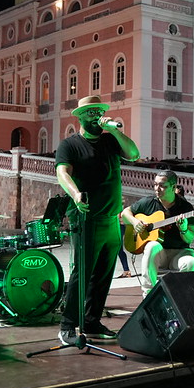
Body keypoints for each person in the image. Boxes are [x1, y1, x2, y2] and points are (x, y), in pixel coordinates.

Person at [55, 95, 139, 344]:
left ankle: (91, 322)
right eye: (90, 113)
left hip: (111, 218)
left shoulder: (110, 140)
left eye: (98, 112)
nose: (95, 116)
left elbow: (134, 154)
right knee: (82, 273)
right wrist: (75, 194)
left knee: (103, 274)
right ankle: (67, 326)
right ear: (80, 117)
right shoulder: (70, 144)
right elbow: (62, 172)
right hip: (87, 218)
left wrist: (115, 131)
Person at [121, 170, 194, 297]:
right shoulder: (148, 202)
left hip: (179, 253)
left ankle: (180, 298)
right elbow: (125, 212)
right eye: (155, 184)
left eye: (162, 186)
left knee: (192, 262)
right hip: (159, 254)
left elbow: (189, 239)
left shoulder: (185, 207)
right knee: (152, 246)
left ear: (173, 187)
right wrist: (135, 222)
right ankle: (148, 295)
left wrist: (184, 229)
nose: (157, 189)